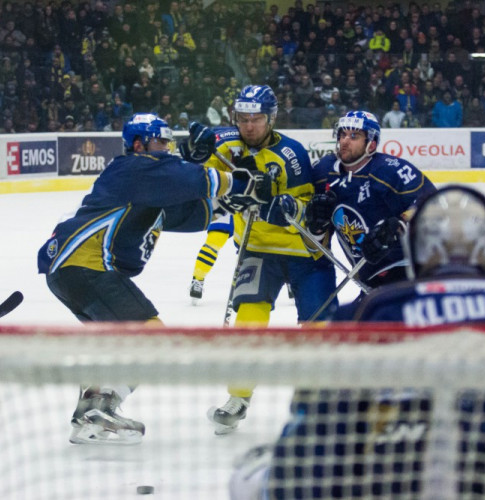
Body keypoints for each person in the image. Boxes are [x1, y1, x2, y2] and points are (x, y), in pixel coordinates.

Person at [230, 185, 485, 500]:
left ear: (416, 250)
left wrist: (278, 481)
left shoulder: (371, 311)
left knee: (251, 477)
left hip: (397, 484)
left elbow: (314, 435)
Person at [36, 113, 271, 445]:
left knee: (119, 344)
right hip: (88, 267)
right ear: (138, 144)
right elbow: (189, 178)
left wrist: (228, 205)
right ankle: (101, 408)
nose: (166, 150)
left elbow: (190, 213)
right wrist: (243, 183)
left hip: (71, 272)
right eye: (161, 143)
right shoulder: (133, 167)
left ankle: (87, 414)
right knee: (155, 340)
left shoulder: (146, 188)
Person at [202, 84, 337, 435]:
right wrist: (194, 154)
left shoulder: (290, 153)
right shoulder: (228, 145)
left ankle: (322, 400)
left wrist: (287, 207)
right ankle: (238, 397)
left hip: (304, 252)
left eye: (256, 119)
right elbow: (199, 180)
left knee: (318, 328)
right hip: (258, 248)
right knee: (249, 319)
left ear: (271, 118)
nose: (248, 126)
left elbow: (310, 212)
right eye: (242, 118)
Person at [305, 110, 436, 313]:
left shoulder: (390, 170)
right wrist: (316, 225)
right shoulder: (323, 173)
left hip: (409, 270)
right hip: (369, 278)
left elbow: (432, 204)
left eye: (354, 136)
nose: (345, 141)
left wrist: (399, 224)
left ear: (371, 144)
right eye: (342, 135)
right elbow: (315, 245)